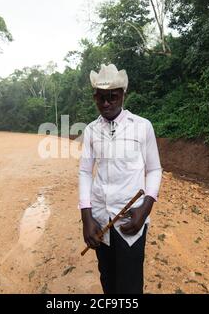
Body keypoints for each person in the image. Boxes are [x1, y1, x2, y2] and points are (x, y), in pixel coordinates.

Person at [78, 64, 163, 294]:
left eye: (112, 97)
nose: (106, 103)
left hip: (130, 221)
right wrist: (86, 218)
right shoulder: (91, 131)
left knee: (130, 284)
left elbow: (154, 169)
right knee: (108, 278)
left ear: (123, 94)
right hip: (100, 221)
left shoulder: (143, 127)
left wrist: (145, 209)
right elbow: (85, 172)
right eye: (101, 98)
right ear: (95, 97)